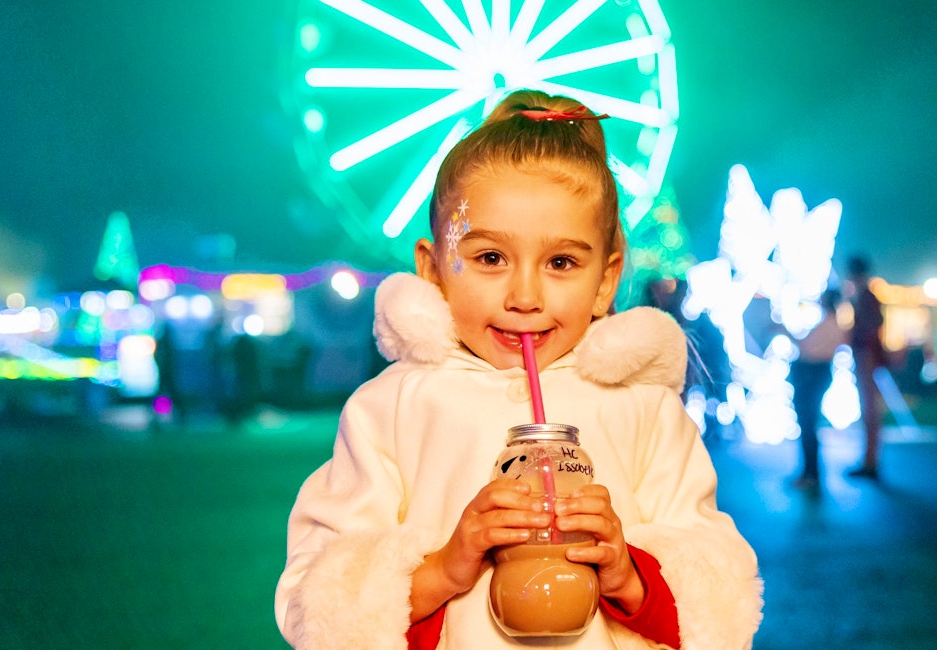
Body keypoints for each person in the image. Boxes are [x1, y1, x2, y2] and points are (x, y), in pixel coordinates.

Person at [275, 90, 762, 649]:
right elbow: (315, 601)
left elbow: (721, 596)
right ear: (433, 270)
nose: (524, 296)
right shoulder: (390, 410)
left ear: (606, 280)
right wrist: (444, 569)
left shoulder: (644, 410)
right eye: (489, 259)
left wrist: (629, 576)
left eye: (560, 262)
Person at [788, 289, 845, 490]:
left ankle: (810, 473)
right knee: (809, 423)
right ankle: (810, 472)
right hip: (817, 374)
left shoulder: (828, 325)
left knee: (807, 423)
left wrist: (785, 332)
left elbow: (807, 348)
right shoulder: (834, 324)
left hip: (811, 375)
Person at [845, 255, 886, 479]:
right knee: (868, 409)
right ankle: (869, 459)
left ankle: (870, 461)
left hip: (866, 356)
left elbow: (874, 323)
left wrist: (862, 342)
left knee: (870, 409)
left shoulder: (867, 297)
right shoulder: (864, 296)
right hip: (865, 355)